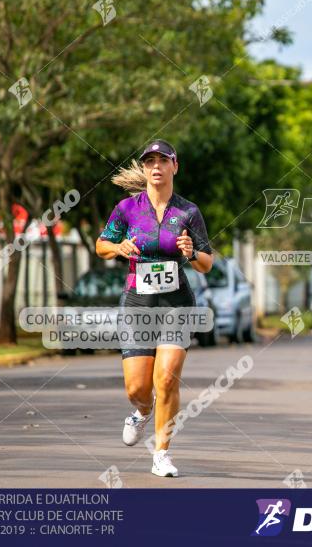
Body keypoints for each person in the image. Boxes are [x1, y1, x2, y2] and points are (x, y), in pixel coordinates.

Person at [95, 139, 213, 478]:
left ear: (175, 166)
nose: (156, 166)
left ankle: (162, 453)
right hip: (137, 303)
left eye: (163, 160)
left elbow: (207, 263)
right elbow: (101, 245)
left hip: (176, 304)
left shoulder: (187, 212)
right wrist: (119, 247)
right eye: (150, 162)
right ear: (145, 168)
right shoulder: (127, 209)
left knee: (166, 379)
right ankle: (142, 411)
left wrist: (191, 251)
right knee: (137, 388)